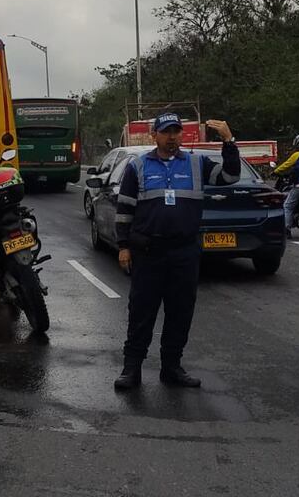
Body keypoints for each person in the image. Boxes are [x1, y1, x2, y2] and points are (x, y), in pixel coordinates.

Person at [113, 114, 240, 390]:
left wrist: (229, 141)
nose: (172, 137)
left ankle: (171, 367)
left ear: (182, 135)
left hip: (184, 252)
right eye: (166, 132)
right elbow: (124, 210)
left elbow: (230, 176)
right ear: (154, 136)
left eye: (176, 132)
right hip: (148, 252)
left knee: (180, 312)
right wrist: (123, 246)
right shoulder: (138, 166)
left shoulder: (196, 163)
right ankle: (131, 369)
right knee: (141, 312)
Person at [275, 133, 299, 234]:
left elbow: (286, 165)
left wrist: (275, 171)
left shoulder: (298, 155)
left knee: (287, 206)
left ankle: (286, 229)